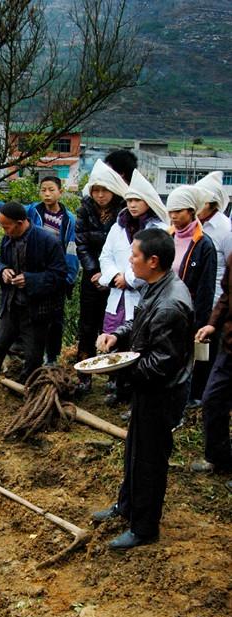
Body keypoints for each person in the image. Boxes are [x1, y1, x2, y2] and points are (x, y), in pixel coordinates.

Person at [92, 228, 194, 549]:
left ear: (153, 260)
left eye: (134, 255)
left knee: (150, 458)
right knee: (135, 449)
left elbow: (159, 364)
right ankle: (127, 507)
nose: (129, 261)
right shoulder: (154, 285)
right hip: (148, 389)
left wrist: (115, 368)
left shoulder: (171, 305)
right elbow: (138, 324)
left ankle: (145, 528)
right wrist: (117, 337)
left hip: (162, 392)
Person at [0, 176, 78, 364]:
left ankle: (51, 358)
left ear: (60, 192)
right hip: (32, 273)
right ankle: (24, 358)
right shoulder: (32, 211)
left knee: (55, 320)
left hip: (55, 273)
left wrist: (68, 277)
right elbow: (6, 212)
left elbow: (71, 249)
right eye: (43, 189)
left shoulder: (69, 221)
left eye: (51, 189)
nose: (47, 194)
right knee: (29, 319)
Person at [0, 201, 67, 408]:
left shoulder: (48, 241)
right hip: (11, 305)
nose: (3, 230)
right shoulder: (7, 240)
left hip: (36, 311)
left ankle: (27, 391)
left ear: (21, 222)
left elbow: (60, 276)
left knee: (33, 356)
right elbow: (0, 262)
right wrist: (2, 271)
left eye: (6, 226)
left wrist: (30, 280)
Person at [98, 169, 169, 404]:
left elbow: (154, 262)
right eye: (129, 200)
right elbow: (105, 256)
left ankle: (132, 391)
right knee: (116, 339)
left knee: (137, 343)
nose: (132, 205)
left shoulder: (157, 228)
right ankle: (118, 385)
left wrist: (129, 278)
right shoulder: (118, 226)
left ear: (147, 201)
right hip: (117, 294)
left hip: (140, 293)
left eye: (137, 200)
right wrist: (115, 276)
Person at [75, 159, 128, 392]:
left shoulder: (124, 211)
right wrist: (93, 272)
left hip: (118, 278)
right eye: (95, 190)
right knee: (87, 326)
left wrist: (110, 275)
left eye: (104, 190)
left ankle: (114, 377)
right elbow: (81, 243)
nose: (99, 195)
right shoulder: (85, 208)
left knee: (114, 326)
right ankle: (84, 375)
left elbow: (126, 246)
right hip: (91, 275)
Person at [166, 185, 217, 404]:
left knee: (188, 358)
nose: (174, 216)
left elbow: (206, 289)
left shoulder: (204, 245)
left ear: (191, 211)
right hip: (166, 309)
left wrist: (199, 321)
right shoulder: (166, 238)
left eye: (179, 211)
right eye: (171, 211)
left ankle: (188, 398)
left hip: (189, 312)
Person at [191, 232, 232, 477]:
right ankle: (219, 459)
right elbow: (226, 296)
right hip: (228, 345)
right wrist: (213, 323)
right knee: (212, 399)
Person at [195, 171, 231, 305]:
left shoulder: (226, 229)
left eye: (201, 202)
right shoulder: (193, 224)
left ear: (211, 203)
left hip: (216, 302)